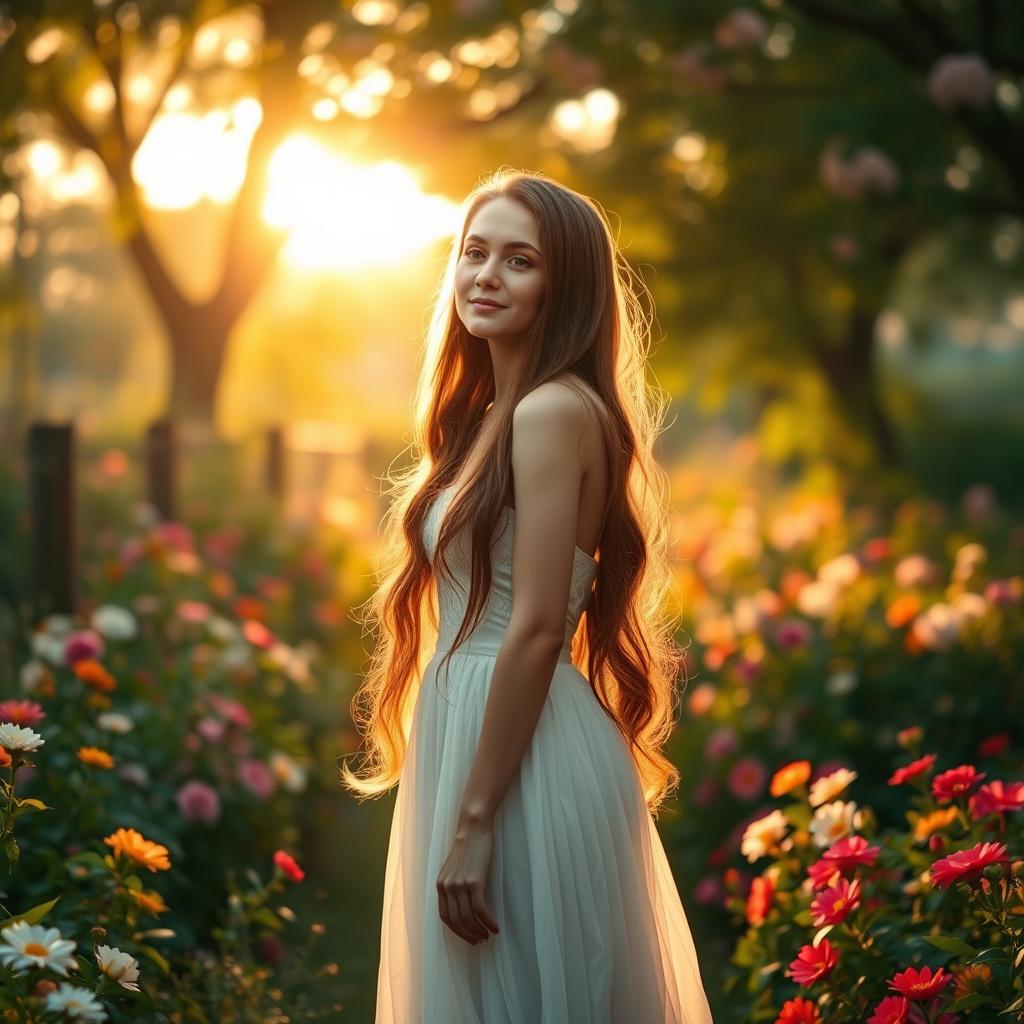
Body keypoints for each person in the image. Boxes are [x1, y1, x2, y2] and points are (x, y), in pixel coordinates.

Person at [341, 168, 714, 1023]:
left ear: (566, 285)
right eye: (475, 254)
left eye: (520, 261)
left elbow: (542, 623)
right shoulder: (487, 421)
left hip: (520, 748)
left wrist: (473, 824)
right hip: (480, 729)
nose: (486, 277)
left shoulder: (551, 412)